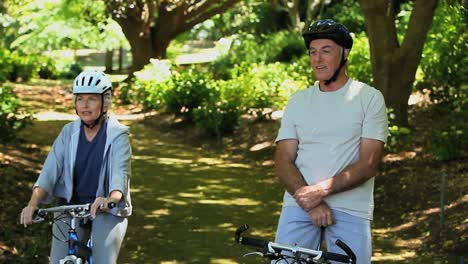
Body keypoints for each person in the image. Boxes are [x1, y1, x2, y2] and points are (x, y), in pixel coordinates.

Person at [273, 19, 388, 263]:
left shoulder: (369, 99)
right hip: (299, 204)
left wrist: (317, 192)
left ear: (345, 53)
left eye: (326, 50)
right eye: (313, 52)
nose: (318, 59)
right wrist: (309, 200)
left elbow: (369, 163)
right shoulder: (298, 101)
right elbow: (283, 160)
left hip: (351, 207)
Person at [20, 70, 132, 264]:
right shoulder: (68, 132)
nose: (85, 105)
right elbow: (49, 170)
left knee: (102, 261)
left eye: (92, 99)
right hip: (70, 206)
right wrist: (32, 204)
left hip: (106, 209)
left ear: (105, 102)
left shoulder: (117, 134)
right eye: (80, 99)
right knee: (58, 260)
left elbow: (119, 173)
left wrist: (111, 199)